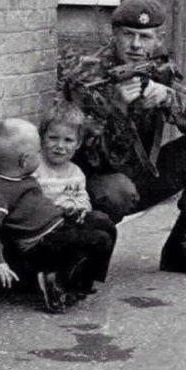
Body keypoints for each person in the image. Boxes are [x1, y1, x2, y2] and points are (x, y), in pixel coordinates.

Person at [58, 0, 186, 280]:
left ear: (158, 39)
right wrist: (117, 108)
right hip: (95, 183)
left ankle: (181, 246)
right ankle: (82, 255)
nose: (136, 45)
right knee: (118, 191)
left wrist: (168, 97)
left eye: (145, 37)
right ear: (114, 34)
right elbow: (89, 155)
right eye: (127, 35)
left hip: (142, 175)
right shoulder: (89, 75)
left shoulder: (156, 67)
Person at [0, 118, 116, 313]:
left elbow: (39, 208)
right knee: (97, 239)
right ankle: (55, 283)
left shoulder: (24, 178)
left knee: (103, 222)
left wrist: (67, 211)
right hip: (37, 246)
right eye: (37, 152)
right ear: (24, 160)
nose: (40, 155)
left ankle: (81, 282)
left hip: (57, 228)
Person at [34, 99, 117, 295]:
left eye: (68, 140)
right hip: (46, 229)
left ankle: (85, 280)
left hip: (70, 221)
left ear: (78, 143)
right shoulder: (36, 168)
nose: (60, 146)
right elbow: (31, 202)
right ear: (42, 138)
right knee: (90, 237)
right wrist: (58, 207)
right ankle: (59, 280)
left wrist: (79, 208)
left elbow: (83, 199)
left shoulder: (75, 172)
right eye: (53, 138)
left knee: (104, 224)